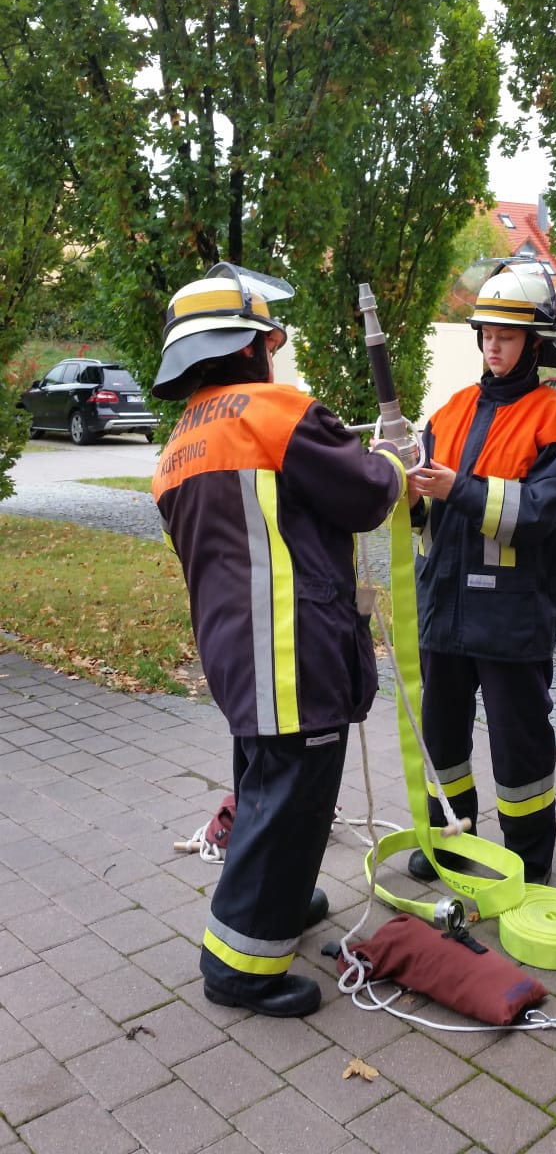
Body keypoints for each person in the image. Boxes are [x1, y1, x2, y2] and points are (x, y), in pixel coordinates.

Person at [151, 262, 406, 1018]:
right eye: (269, 342)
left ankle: (279, 904)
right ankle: (238, 968)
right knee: (289, 804)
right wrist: (395, 459)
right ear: (249, 345)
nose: (273, 355)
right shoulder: (276, 413)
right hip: (293, 653)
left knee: (267, 785)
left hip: (236, 655)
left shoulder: (179, 443)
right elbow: (365, 494)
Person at [406, 259, 556, 886]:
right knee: (441, 740)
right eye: (486, 335)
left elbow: (536, 514)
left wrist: (456, 488)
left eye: (507, 337)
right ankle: (450, 842)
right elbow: (424, 518)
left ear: (535, 344)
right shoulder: (448, 412)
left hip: (512, 615)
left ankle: (529, 862)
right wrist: (408, 492)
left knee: (520, 746)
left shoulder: (555, 420)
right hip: (443, 610)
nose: (493, 347)